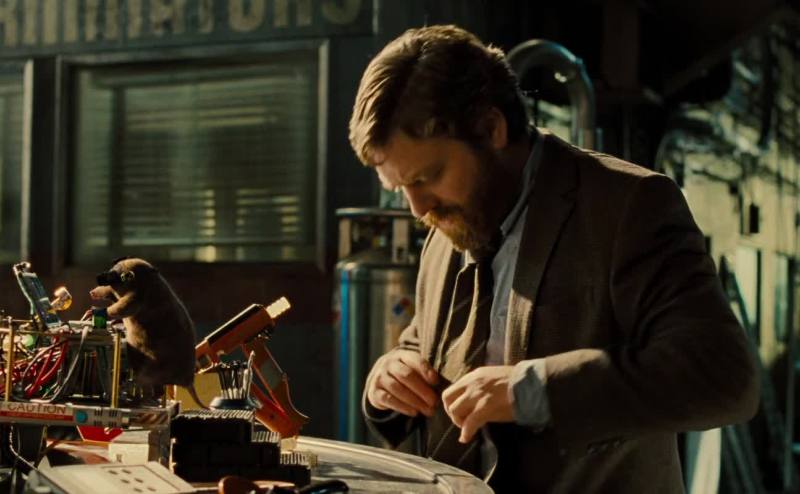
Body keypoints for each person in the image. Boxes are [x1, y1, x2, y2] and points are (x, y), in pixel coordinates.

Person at [348, 24, 759, 492]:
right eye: (400, 188)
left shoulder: (629, 205)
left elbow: (724, 378)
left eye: (428, 176)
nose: (417, 208)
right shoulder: (447, 222)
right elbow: (422, 344)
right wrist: (390, 376)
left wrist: (535, 390)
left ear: (491, 128)